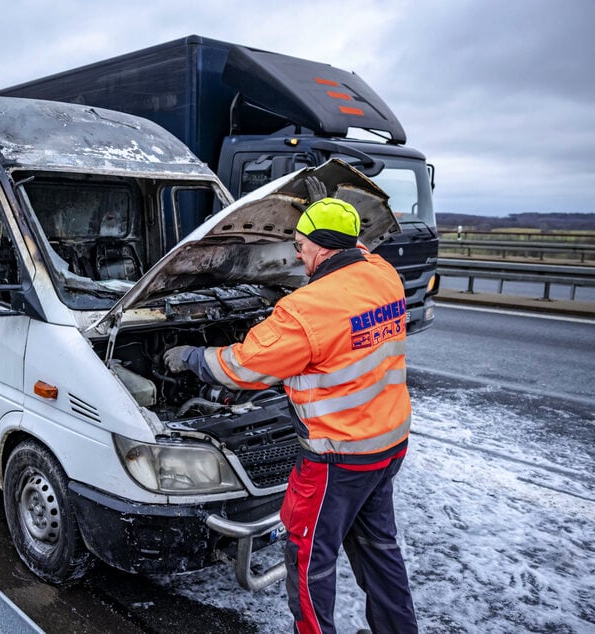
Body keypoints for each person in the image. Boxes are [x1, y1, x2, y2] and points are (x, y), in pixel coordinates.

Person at [163, 195, 417, 634]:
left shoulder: (306, 309)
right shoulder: (383, 274)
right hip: (388, 442)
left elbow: (241, 367)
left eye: (300, 246)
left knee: (308, 559)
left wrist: (190, 356)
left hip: (336, 458)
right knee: (379, 548)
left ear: (320, 249)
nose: (297, 254)